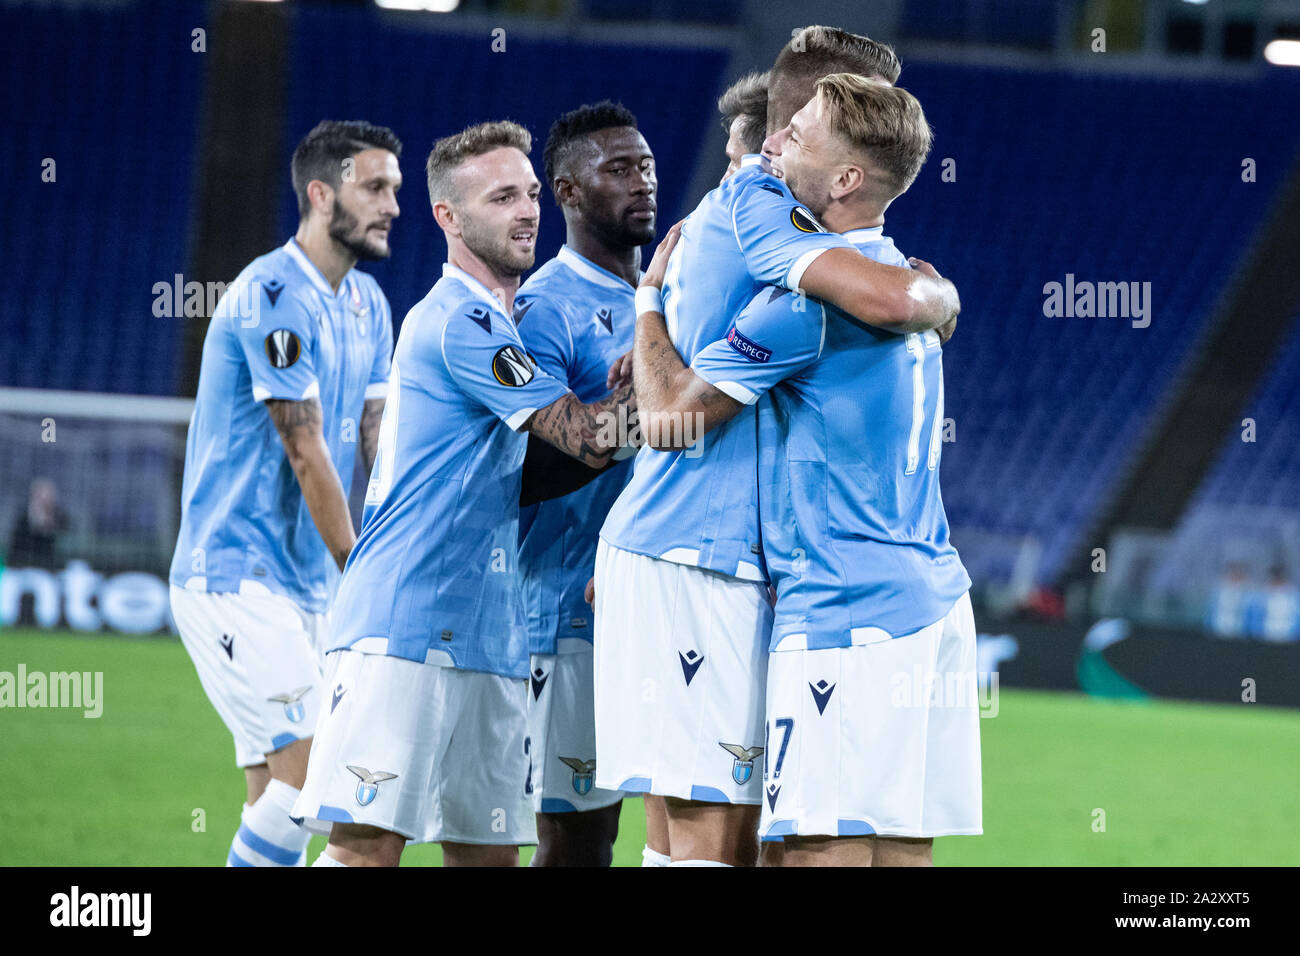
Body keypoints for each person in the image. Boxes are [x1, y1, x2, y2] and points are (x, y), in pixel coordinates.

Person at [593, 25, 959, 867]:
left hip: (754, 563)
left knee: (746, 829)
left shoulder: (787, 223)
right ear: (804, 125)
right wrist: (930, 298)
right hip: (696, 555)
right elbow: (674, 416)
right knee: (707, 833)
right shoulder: (754, 211)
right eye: (852, 105)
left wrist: (929, 294)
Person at [292, 121, 636, 867]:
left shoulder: (502, 321)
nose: (527, 212)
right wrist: (692, 382)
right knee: (365, 851)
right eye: (502, 196)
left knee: (487, 857)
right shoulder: (462, 318)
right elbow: (584, 437)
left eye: (533, 194)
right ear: (448, 216)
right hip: (405, 627)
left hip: (492, 634)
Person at [168, 120, 402, 867]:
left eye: (395, 189)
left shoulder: (368, 304)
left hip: (307, 589)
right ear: (320, 193)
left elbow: (379, 444)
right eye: (375, 188)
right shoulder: (272, 293)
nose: (392, 205)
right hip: (235, 578)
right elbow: (305, 451)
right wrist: (362, 567)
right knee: (315, 788)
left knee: (274, 794)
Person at [513, 102, 657, 866]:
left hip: (653, 603)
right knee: (576, 834)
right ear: (567, 193)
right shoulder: (545, 310)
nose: (643, 182)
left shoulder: (667, 303)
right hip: (567, 606)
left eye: (648, 166)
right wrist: (644, 412)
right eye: (620, 169)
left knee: (654, 820)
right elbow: (524, 474)